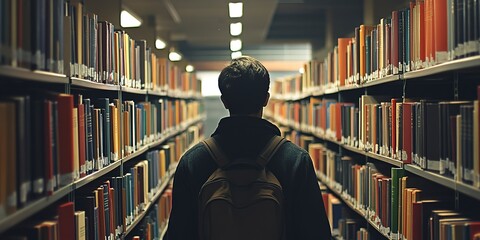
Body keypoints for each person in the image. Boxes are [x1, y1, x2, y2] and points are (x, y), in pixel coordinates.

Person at [164, 56, 332, 240]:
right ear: (266, 99)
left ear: (224, 101)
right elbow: (316, 232)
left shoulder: (193, 162)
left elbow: (179, 233)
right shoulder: (295, 160)